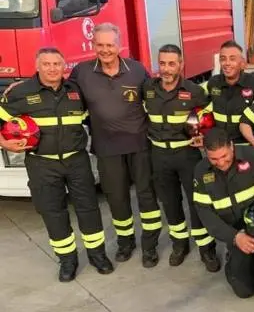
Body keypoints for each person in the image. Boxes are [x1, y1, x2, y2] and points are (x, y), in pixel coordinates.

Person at [0, 47, 113, 282]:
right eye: (47, 64)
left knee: (88, 208)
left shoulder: (75, 91)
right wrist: (4, 143)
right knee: (53, 213)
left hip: (76, 160)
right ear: (37, 66)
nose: (52, 69)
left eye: (56, 64)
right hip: (42, 164)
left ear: (64, 67)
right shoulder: (20, 93)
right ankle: (67, 260)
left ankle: (97, 255)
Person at [69, 23, 162, 265]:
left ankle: (150, 246)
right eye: (100, 45)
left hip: (139, 145)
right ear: (93, 45)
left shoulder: (137, 70)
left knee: (147, 197)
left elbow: (158, 95)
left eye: (110, 44)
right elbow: (59, 92)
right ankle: (126, 243)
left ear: (119, 46)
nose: (105, 50)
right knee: (117, 199)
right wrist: (22, 89)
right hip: (107, 149)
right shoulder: (82, 72)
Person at [141, 44, 220, 271]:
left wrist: (203, 137)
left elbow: (208, 118)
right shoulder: (147, 89)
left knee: (197, 202)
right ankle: (180, 245)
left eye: (171, 63)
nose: (166, 69)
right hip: (158, 154)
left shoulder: (194, 91)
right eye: (162, 63)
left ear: (181, 65)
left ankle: (206, 249)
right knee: (170, 202)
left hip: (187, 154)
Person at [192, 128, 254, 298]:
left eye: (224, 156)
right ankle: (237, 261)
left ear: (231, 146)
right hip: (236, 233)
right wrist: (235, 237)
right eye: (214, 159)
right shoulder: (201, 171)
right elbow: (206, 214)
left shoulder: (252, 155)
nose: (221, 163)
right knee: (244, 291)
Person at [205, 40, 254, 145]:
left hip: (248, 147)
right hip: (222, 148)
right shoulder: (213, 83)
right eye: (223, 59)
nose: (227, 63)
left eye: (232, 59)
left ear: (242, 63)